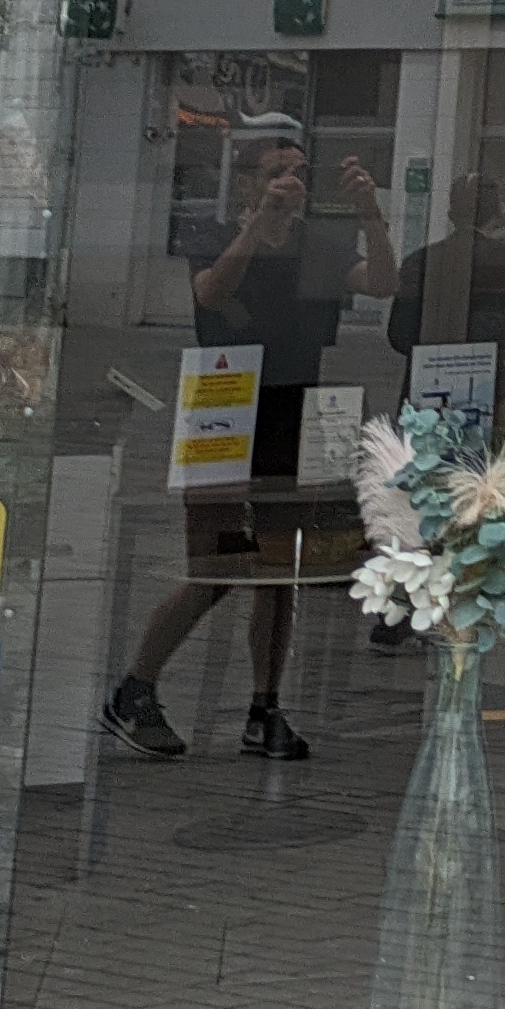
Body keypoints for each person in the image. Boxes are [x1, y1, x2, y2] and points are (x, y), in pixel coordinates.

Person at [102, 117, 395, 761]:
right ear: (246, 184)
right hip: (225, 407)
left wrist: (371, 214)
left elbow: (381, 283)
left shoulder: (320, 243)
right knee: (215, 568)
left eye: (298, 172)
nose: (290, 182)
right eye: (274, 172)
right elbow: (212, 292)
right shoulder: (212, 234)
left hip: (293, 410)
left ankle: (265, 710)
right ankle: (135, 687)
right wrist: (259, 224)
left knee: (280, 571)